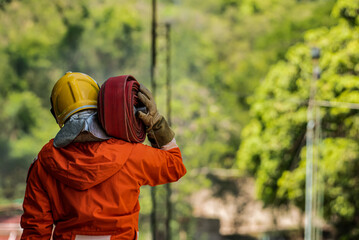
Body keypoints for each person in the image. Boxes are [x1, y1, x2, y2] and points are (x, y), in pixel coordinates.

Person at [20, 72, 186, 240]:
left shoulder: (44, 163)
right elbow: (175, 166)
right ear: (101, 106)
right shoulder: (131, 154)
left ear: (56, 114)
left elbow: (35, 231)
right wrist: (155, 123)